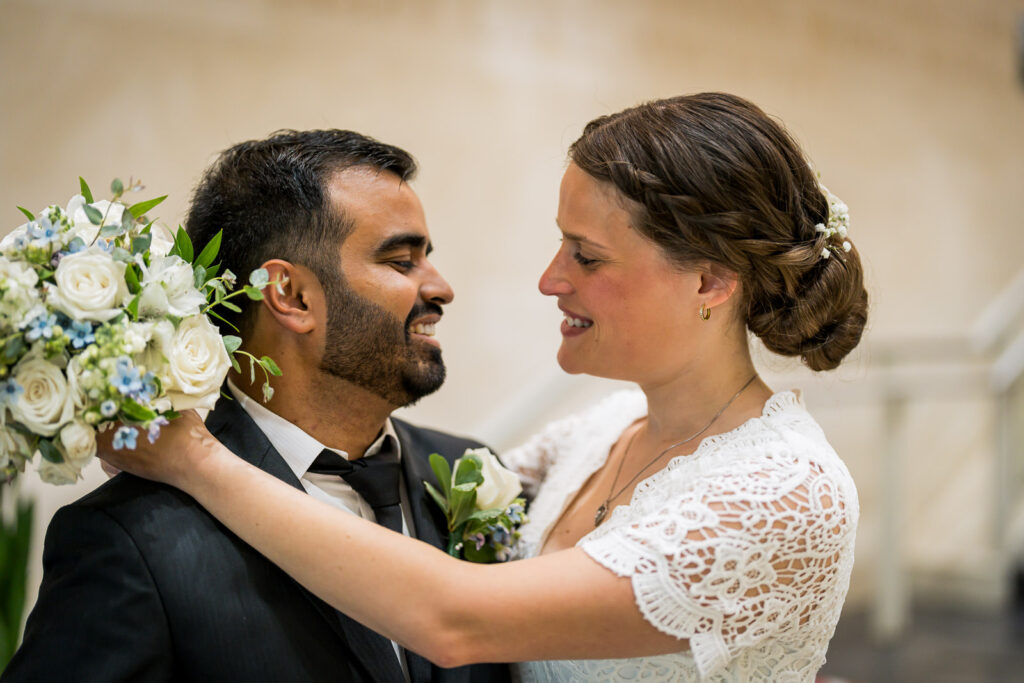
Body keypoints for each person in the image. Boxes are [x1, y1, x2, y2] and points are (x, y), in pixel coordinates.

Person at [98, 93, 868, 682]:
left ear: (708, 280)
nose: (548, 278)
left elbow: (453, 616)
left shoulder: (786, 491)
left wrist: (195, 458)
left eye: (586, 255)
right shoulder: (596, 433)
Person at [3, 130, 511, 683]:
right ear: (290, 296)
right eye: (401, 260)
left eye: (425, 259)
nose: (441, 288)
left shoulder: (470, 471)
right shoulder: (129, 539)